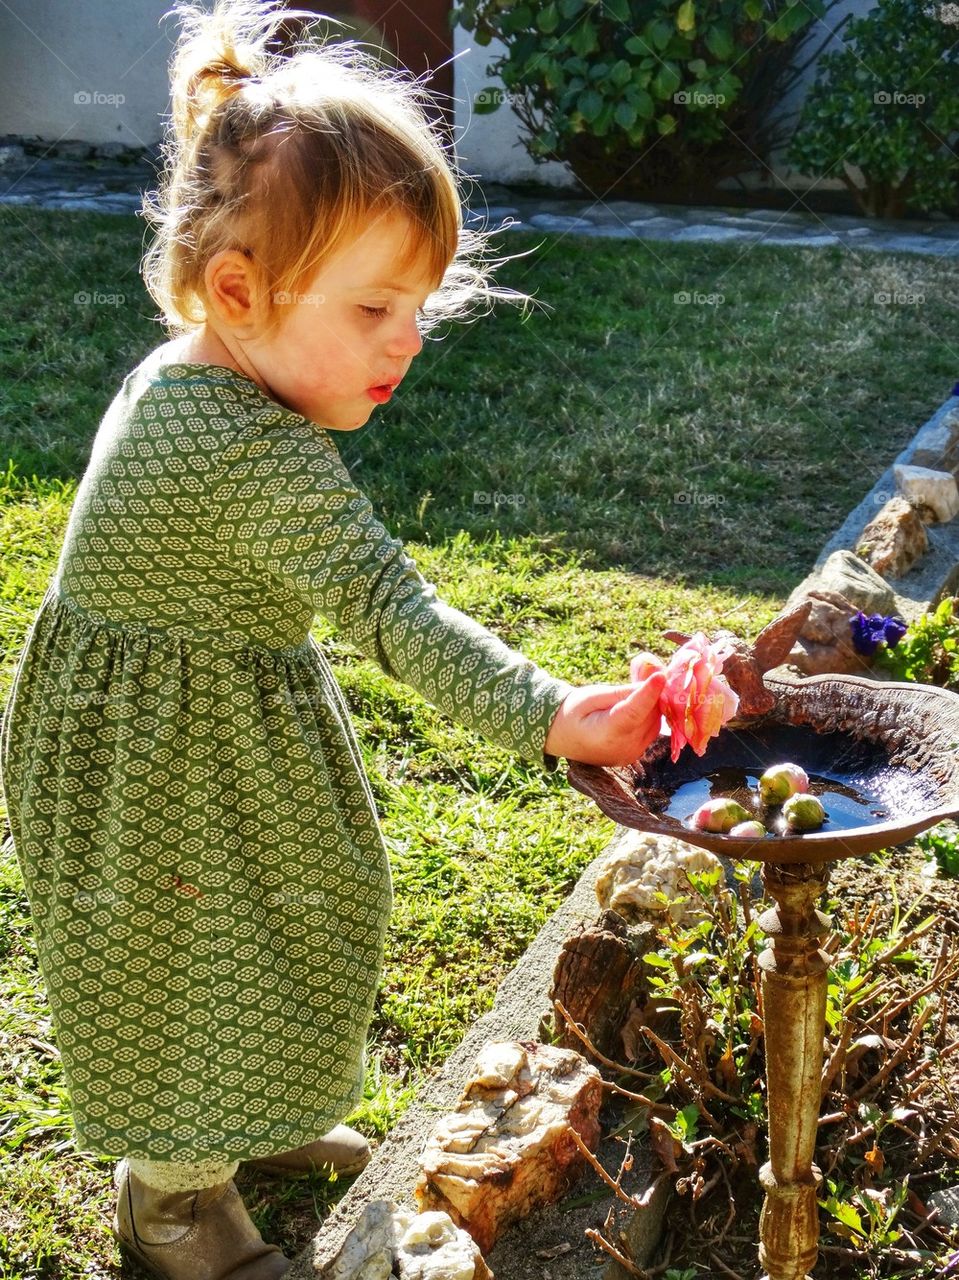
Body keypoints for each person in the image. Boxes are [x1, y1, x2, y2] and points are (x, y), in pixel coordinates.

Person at [0, 3, 666, 1277]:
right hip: (153, 775)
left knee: (291, 918)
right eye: (373, 307)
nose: (407, 338)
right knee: (184, 961)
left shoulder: (207, 370)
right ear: (239, 291)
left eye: (416, 303)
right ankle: (171, 1196)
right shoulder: (240, 448)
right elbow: (391, 610)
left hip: (198, 723)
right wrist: (550, 712)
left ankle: (251, 1111)